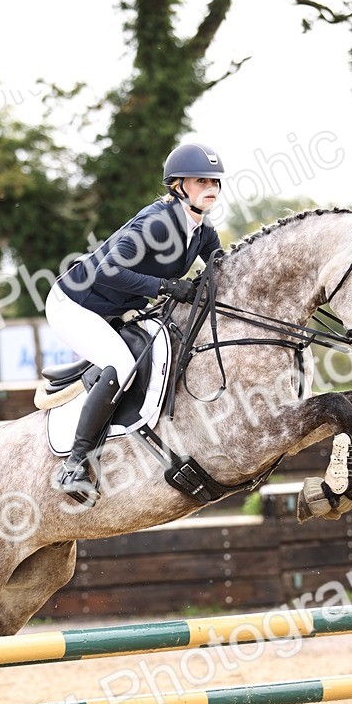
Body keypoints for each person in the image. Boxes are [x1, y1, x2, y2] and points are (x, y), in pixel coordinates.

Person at [45, 141, 226, 505]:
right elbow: (108, 269)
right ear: (178, 186)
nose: (211, 187)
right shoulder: (157, 222)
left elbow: (223, 270)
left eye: (215, 181)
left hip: (114, 308)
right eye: (201, 180)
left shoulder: (203, 233)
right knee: (122, 363)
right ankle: (74, 464)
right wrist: (164, 286)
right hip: (75, 304)